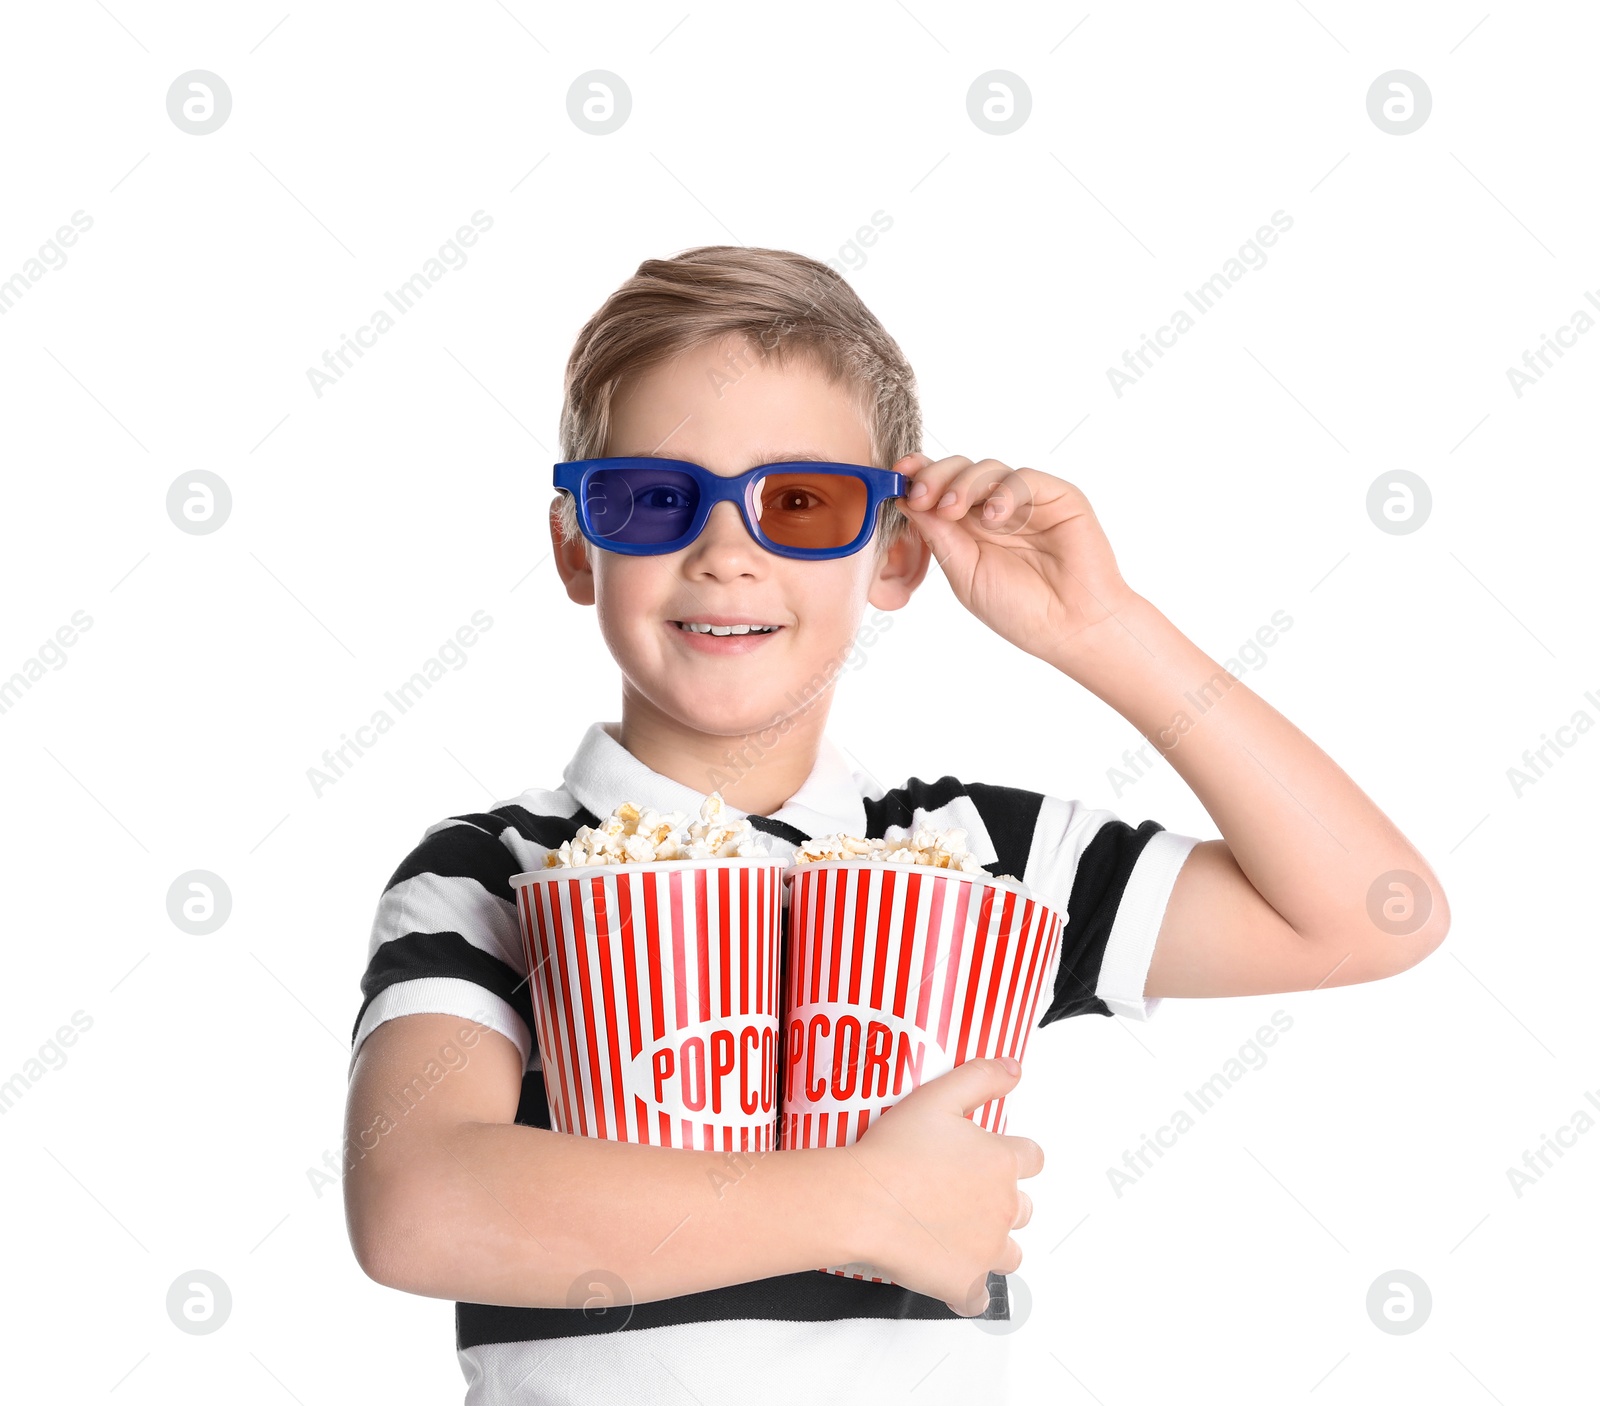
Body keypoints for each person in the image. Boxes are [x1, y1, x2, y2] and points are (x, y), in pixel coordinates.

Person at [342, 245, 1450, 1403]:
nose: (727, 552)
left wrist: (1101, 629)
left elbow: (1376, 913)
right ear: (579, 543)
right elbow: (418, 1205)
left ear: (893, 550)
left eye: (801, 502)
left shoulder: (979, 862)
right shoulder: (498, 867)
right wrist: (866, 1200)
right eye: (654, 498)